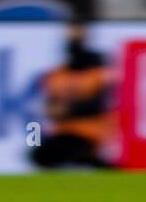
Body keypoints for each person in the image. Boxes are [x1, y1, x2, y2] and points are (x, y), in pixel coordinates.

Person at [32, 20, 115, 169]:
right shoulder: (57, 75)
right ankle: (84, 163)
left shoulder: (97, 73)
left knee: (70, 150)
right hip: (63, 131)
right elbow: (50, 105)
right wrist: (52, 109)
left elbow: (105, 104)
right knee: (37, 150)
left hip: (91, 132)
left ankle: (90, 161)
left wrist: (70, 110)